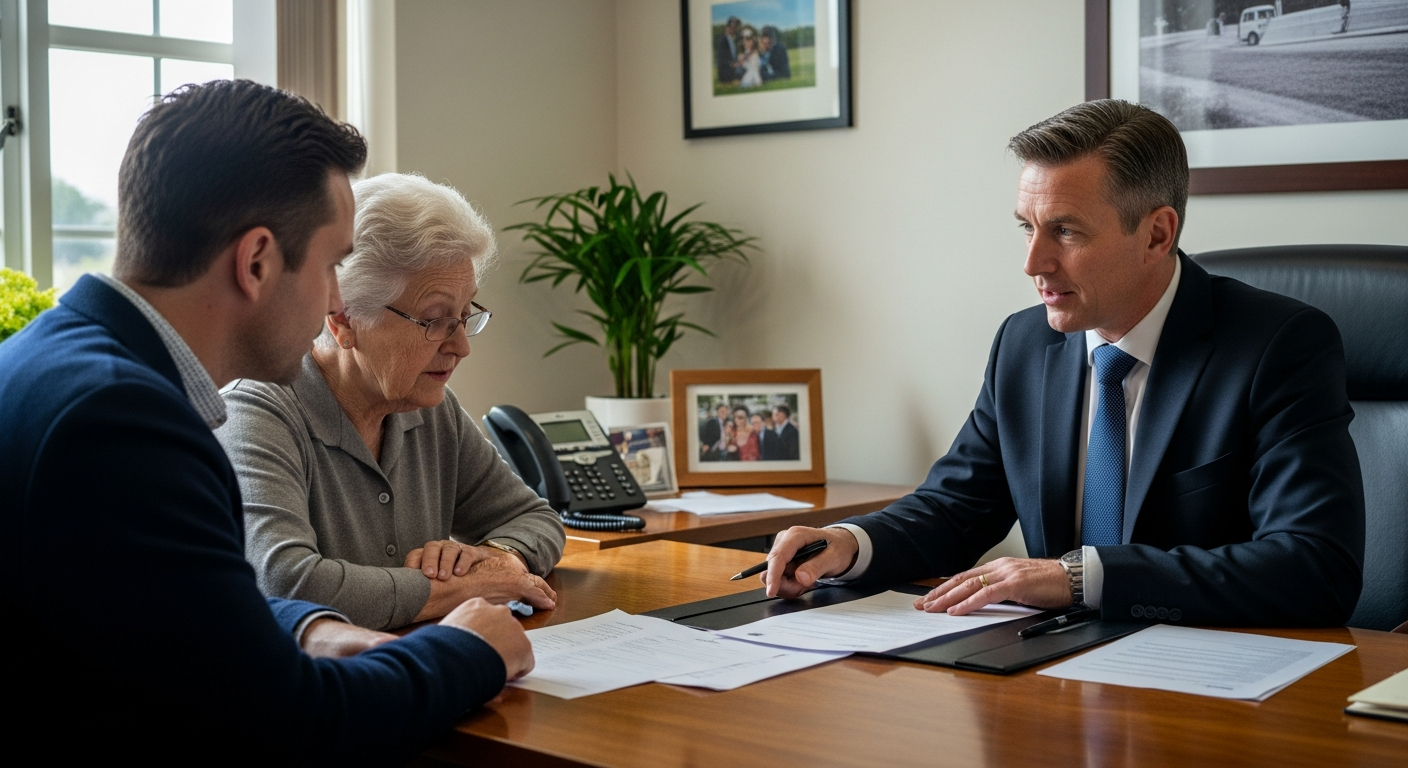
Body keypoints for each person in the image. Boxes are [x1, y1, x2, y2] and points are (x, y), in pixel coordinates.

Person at [0, 81, 534, 763]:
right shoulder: (123, 424)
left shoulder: (49, 364)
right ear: (256, 262)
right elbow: (300, 723)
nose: (339, 300)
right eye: (335, 264)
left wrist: (305, 626)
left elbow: (174, 615)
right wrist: (468, 648)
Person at [763, 100, 1364, 628]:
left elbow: (1315, 566)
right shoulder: (1024, 345)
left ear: (1157, 235)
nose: (1033, 263)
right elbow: (957, 507)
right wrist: (850, 542)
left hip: (1214, 693)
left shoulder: (1279, 345)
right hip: (1050, 675)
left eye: (1066, 232)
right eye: (1026, 228)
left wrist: (1080, 577)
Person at [217, 173, 565, 631]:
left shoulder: (430, 406)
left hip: (415, 674)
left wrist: (492, 558)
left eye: (465, 316)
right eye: (436, 320)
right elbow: (288, 583)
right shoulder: (256, 411)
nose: (461, 346)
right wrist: (461, 589)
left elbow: (535, 517)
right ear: (343, 320)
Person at [715, 15, 742, 84]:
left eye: (736, 27)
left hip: (733, 69)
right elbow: (721, 59)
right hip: (726, 71)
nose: (735, 29)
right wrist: (732, 64)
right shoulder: (723, 40)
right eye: (733, 27)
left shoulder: (732, 40)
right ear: (728, 28)